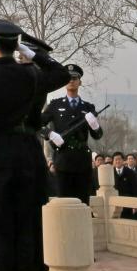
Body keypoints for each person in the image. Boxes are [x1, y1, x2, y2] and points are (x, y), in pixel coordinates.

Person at [0, 19, 70, 271]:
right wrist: (33, 53)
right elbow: (60, 74)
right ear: (17, 47)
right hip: (29, 161)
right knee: (28, 233)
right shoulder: (32, 76)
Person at [41, 63, 104, 204]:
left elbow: (97, 135)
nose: (71, 80)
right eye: (68, 77)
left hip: (82, 161)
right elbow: (37, 123)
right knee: (64, 203)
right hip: (63, 160)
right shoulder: (55, 105)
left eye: (75, 78)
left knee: (83, 202)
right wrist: (50, 134)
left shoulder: (88, 107)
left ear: (80, 82)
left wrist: (94, 125)